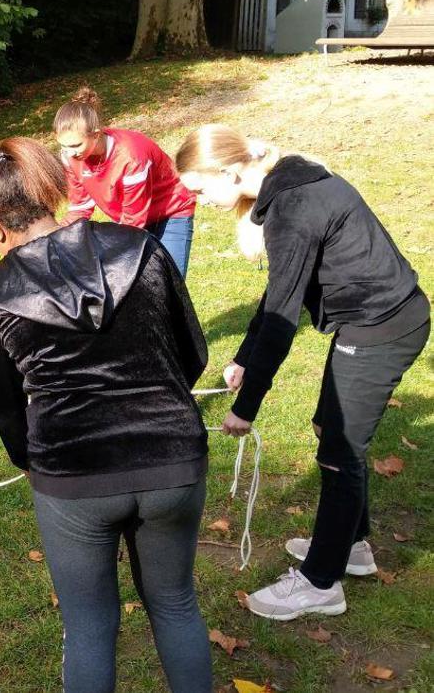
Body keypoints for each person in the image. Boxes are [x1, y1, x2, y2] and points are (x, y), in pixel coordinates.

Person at [0, 137, 211, 692]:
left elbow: (5, 404)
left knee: (88, 627)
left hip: (73, 475)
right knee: (176, 603)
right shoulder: (142, 249)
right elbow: (191, 352)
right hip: (172, 457)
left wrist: (29, 460)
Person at [176, 124, 429, 621]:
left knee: (339, 453)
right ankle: (352, 545)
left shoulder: (293, 209)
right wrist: (244, 357)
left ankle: (319, 584)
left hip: (383, 326)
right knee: (328, 429)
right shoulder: (288, 184)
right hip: (370, 322)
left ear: (227, 172)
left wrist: (245, 408)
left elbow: (282, 321)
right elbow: (277, 297)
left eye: (201, 190)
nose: (200, 202)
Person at [54, 87, 197, 276]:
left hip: (171, 211)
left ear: (96, 134)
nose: (69, 152)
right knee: (138, 282)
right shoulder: (70, 158)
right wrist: (54, 236)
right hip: (131, 218)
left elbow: (133, 220)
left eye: (75, 145)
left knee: (170, 279)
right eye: (63, 146)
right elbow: (80, 208)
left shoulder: (131, 156)